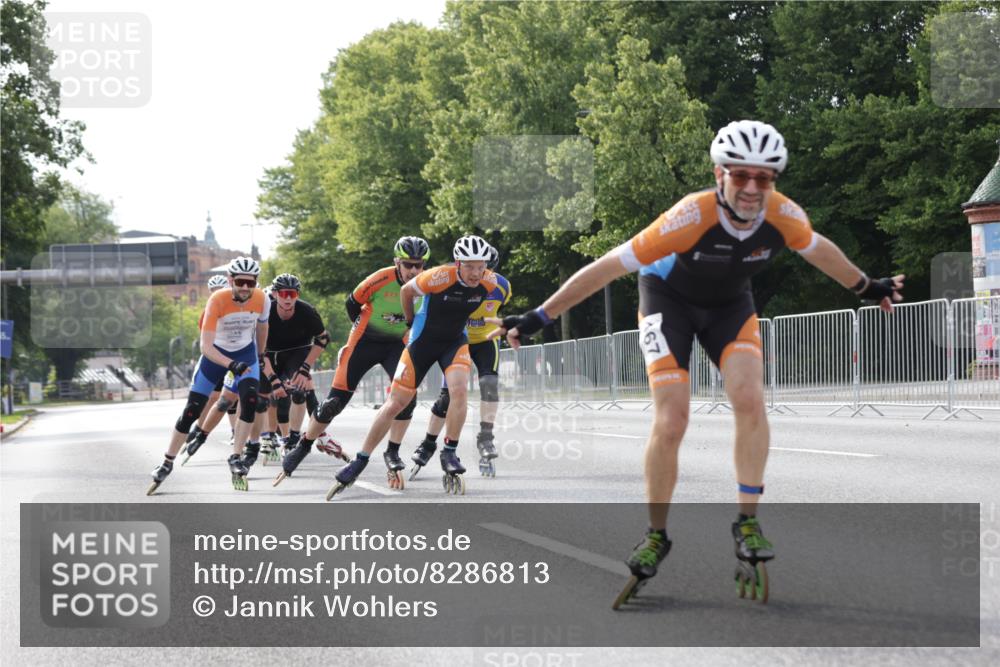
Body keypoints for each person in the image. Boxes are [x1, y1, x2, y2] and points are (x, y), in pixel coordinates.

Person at [488, 120, 905, 604]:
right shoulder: (690, 215)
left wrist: (866, 287)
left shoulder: (784, 215)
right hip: (667, 301)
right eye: (741, 175)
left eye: (764, 178)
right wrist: (538, 316)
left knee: (750, 399)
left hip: (730, 307)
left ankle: (747, 522)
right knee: (672, 418)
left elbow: (818, 250)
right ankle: (656, 534)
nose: (752, 188)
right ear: (719, 173)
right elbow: (607, 266)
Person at [327, 235, 499, 499]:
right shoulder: (438, 277)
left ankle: (449, 452)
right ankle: (360, 460)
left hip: (454, 342)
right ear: (457, 263)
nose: (476, 273)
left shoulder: (490, 281)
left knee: (459, 391)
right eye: (470, 266)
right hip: (421, 343)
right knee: (396, 403)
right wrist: (409, 321)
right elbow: (406, 291)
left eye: (481, 266)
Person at [274, 236, 430, 484]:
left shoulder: (427, 283)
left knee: (407, 399)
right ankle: (303, 446)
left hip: (395, 345)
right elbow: (352, 303)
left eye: (418, 265)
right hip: (364, 342)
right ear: (397, 262)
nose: (413, 270)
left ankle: (392, 452)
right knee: (333, 404)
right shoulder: (380, 278)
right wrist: (362, 328)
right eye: (408, 264)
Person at [147, 257, 270, 494]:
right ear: (230, 280)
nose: (246, 287)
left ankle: (236, 456)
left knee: (250, 400)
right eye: (240, 282)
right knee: (192, 411)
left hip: (245, 354)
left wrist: (261, 355)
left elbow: (263, 328)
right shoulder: (217, 300)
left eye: (251, 282)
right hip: (216, 355)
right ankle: (167, 462)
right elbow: (206, 347)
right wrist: (230, 364)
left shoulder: (262, 299)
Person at [412, 244, 511, 477]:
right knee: (447, 397)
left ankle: (486, 437)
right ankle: (428, 443)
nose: (480, 276)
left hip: (486, 340)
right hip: (459, 339)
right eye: (474, 269)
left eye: (485, 269)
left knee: (490, 384)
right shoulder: (455, 281)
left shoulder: (502, 286)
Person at [252, 273, 330, 467]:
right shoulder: (265, 311)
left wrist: (305, 368)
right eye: (284, 294)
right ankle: (269, 435)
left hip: (296, 352)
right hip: (268, 354)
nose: (288, 298)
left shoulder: (307, 311)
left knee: (299, 391)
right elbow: (259, 351)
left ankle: (293, 438)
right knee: (267, 396)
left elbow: (323, 339)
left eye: (292, 294)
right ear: (275, 294)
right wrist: (273, 380)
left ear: (297, 295)